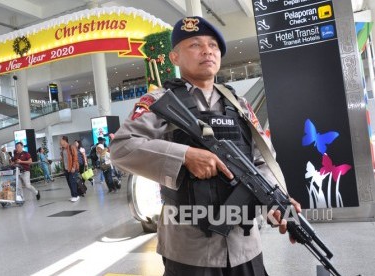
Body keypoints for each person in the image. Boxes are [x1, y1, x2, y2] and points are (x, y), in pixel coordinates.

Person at [110, 16, 301, 276]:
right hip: (189, 249)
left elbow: (261, 159)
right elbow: (121, 148)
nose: (207, 51)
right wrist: (184, 155)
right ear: (175, 57)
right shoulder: (158, 101)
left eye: (213, 45)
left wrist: (276, 199)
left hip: (245, 246)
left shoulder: (239, 105)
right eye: (195, 45)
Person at [60, 136, 80, 202]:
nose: (60, 142)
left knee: (72, 182)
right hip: (67, 168)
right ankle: (73, 195)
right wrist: (63, 168)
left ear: (65, 140)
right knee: (69, 182)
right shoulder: (63, 149)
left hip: (72, 168)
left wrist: (73, 167)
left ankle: (75, 196)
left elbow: (75, 158)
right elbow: (64, 159)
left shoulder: (71, 147)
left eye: (61, 140)